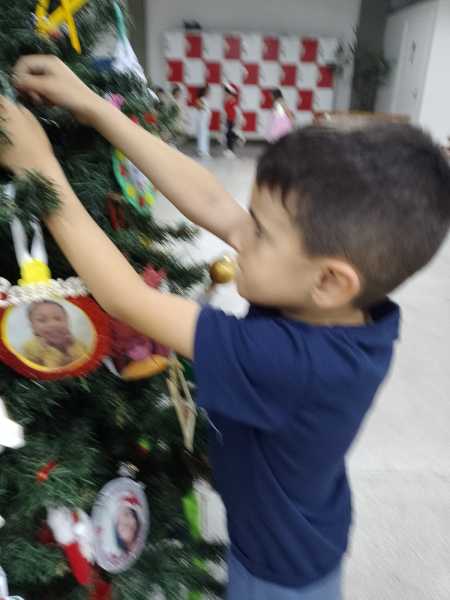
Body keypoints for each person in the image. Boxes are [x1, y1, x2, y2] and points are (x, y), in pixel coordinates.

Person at [2, 56, 450, 600]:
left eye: (261, 232)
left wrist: (40, 170)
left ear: (331, 281)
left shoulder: (291, 362)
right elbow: (214, 201)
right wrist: (95, 107)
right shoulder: (344, 306)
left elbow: (127, 299)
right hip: (308, 530)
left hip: (276, 571)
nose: (241, 233)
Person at [22, 300, 88, 368]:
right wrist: (47, 350)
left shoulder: (77, 343)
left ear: (67, 322)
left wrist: (71, 346)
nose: (52, 324)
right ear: (33, 327)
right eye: (42, 320)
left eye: (58, 319)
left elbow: (86, 362)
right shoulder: (30, 348)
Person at [169, 84, 189, 148]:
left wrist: (184, 119)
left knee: (177, 138)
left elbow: (180, 112)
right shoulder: (171, 101)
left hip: (177, 123)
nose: (179, 95)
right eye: (178, 93)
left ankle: (173, 146)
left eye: (179, 93)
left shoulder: (177, 101)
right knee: (172, 138)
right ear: (175, 93)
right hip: (172, 123)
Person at [195, 85, 211, 158]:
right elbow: (198, 107)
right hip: (201, 121)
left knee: (205, 136)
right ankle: (201, 151)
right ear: (204, 92)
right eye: (207, 91)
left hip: (205, 122)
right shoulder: (200, 99)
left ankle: (204, 150)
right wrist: (202, 107)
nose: (208, 92)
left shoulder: (205, 99)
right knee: (201, 135)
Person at [223, 83, 239, 158]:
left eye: (227, 93)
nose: (225, 94)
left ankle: (231, 151)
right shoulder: (228, 100)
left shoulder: (233, 99)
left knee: (229, 135)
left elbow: (235, 111)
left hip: (232, 120)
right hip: (228, 119)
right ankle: (229, 149)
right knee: (228, 135)